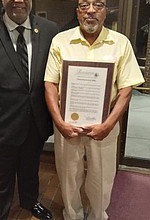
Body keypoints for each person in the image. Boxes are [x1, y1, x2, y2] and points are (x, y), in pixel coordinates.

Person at [44, 1, 145, 220]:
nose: (90, 10)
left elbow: (126, 89)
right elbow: (50, 84)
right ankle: (73, 215)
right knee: (69, 176)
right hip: (66, 123)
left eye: (97, 5)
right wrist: (59, 122)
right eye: (84, 5)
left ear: (105, 11)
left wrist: (108, 124)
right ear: (77, 11)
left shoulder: (120, 43)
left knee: (101, 177)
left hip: (105, 124)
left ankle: (98, 215)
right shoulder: (61, 41)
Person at [0, 0, 58, 219]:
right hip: (0, 126)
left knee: (30, 169)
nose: (18, 0)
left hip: (36, 122)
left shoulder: (50, 31)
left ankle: (29, 202)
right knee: (0, 177)